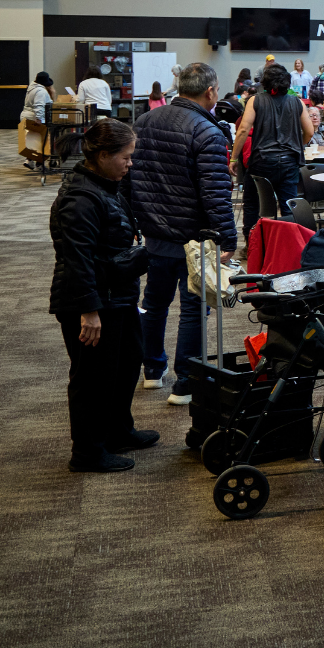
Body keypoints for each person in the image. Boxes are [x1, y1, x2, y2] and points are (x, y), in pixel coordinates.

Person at [49, 118, 157, 473]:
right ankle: (88, 453)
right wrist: (89, 311)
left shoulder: (106, 185)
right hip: (92, 302)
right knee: (92, 378)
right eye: (125, 158)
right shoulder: (80, 199)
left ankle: (117, 432)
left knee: (126, 365)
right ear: (104, 155)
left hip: (119, 295)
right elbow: (76, 259)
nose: (130, 164)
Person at [127, 61, 237, 402]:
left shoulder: (143, 122)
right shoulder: (208, 132)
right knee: (193, 310)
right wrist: (228, 238)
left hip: (154, 235)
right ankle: (185, 383)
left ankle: (152, 371)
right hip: (195, 239)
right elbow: (216, 193)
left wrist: (134, 224)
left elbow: (129, 177)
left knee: (153, 304)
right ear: (210, 92)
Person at [230, 62, 315, 216]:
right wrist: (296, 144)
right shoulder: (297, 102)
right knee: (289, 208)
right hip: (289, 163)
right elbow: (309, 132)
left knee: (253, 206)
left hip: (261, 162)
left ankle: (252, 237)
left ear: (265, 82)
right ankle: (288, 238)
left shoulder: (254, 100)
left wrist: (234, 159)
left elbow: (243, 130)